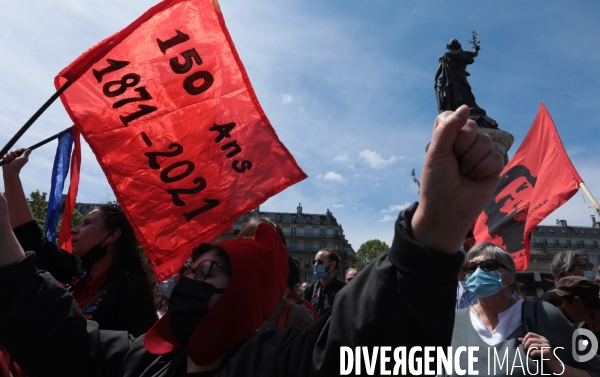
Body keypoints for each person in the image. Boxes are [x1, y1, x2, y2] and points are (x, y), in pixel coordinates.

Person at [0, 105, 506, 375]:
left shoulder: (274, 362)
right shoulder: (145, 361)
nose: (191, 277)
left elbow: (367, 345)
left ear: (244, 294)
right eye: (195, 268)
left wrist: (436, 226)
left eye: (212, 269)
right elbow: (58, 336)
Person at [1, 148, 157, 335]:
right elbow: (32, 240)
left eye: (87, 223)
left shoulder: (131, 290)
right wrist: (11, 174)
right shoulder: (80, 273)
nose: (74, 229)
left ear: (112, 235)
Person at [443, 242, 600, 376]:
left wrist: (555, 365)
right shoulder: (454, 322)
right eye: (470, 267)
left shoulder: (543, 314)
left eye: (488, 266)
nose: (478, 272)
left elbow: (594, 371)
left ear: (511, 276)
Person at [552, 276, 600, 355]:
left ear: (577, 302)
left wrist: (555, 364)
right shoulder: (578, 329)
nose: (561, 307)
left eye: (562, 302)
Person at [303, 248, 346, 317]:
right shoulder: (310, 289)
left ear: (332, 264)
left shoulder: (343, 289)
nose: (315, 265)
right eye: (314, 262)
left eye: (320, 262)